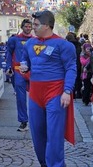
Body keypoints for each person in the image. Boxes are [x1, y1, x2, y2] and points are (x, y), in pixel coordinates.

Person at [19, 10, 76, 167]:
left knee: (54, 135)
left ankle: (56, 165)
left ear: (47, 25)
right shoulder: (30, 44)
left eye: (36, 25)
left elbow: (71, 68)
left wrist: (67, 91)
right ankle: (44, 163)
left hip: (55, 94)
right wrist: (24, 67)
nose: (33, 28)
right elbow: (26, 60)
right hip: (35, 94)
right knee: (37, 135)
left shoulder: (64, 45)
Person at [6, 19, 33, 132]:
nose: (28, 28)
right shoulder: (14, 40)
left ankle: (39, 121)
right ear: (22, 27)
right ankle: (23, 121)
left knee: (37, 97)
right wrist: (8, 67)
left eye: (29, 26)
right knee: (21, 98)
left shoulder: (35, 40)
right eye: (26, 26)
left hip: (33, 72)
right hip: (18, 72)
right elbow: (8, 53)